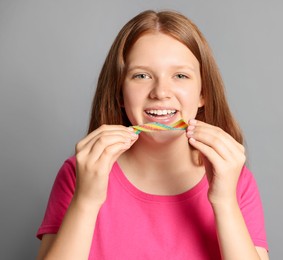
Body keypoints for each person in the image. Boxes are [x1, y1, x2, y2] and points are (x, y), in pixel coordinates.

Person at [36, 10, 269, 260]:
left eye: (180, 75)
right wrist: (86, 200)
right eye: (141, 75)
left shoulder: (235, 180)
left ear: (204, 94)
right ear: (119, 95)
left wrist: (225, 203)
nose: (160, 92)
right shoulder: (78, 173)